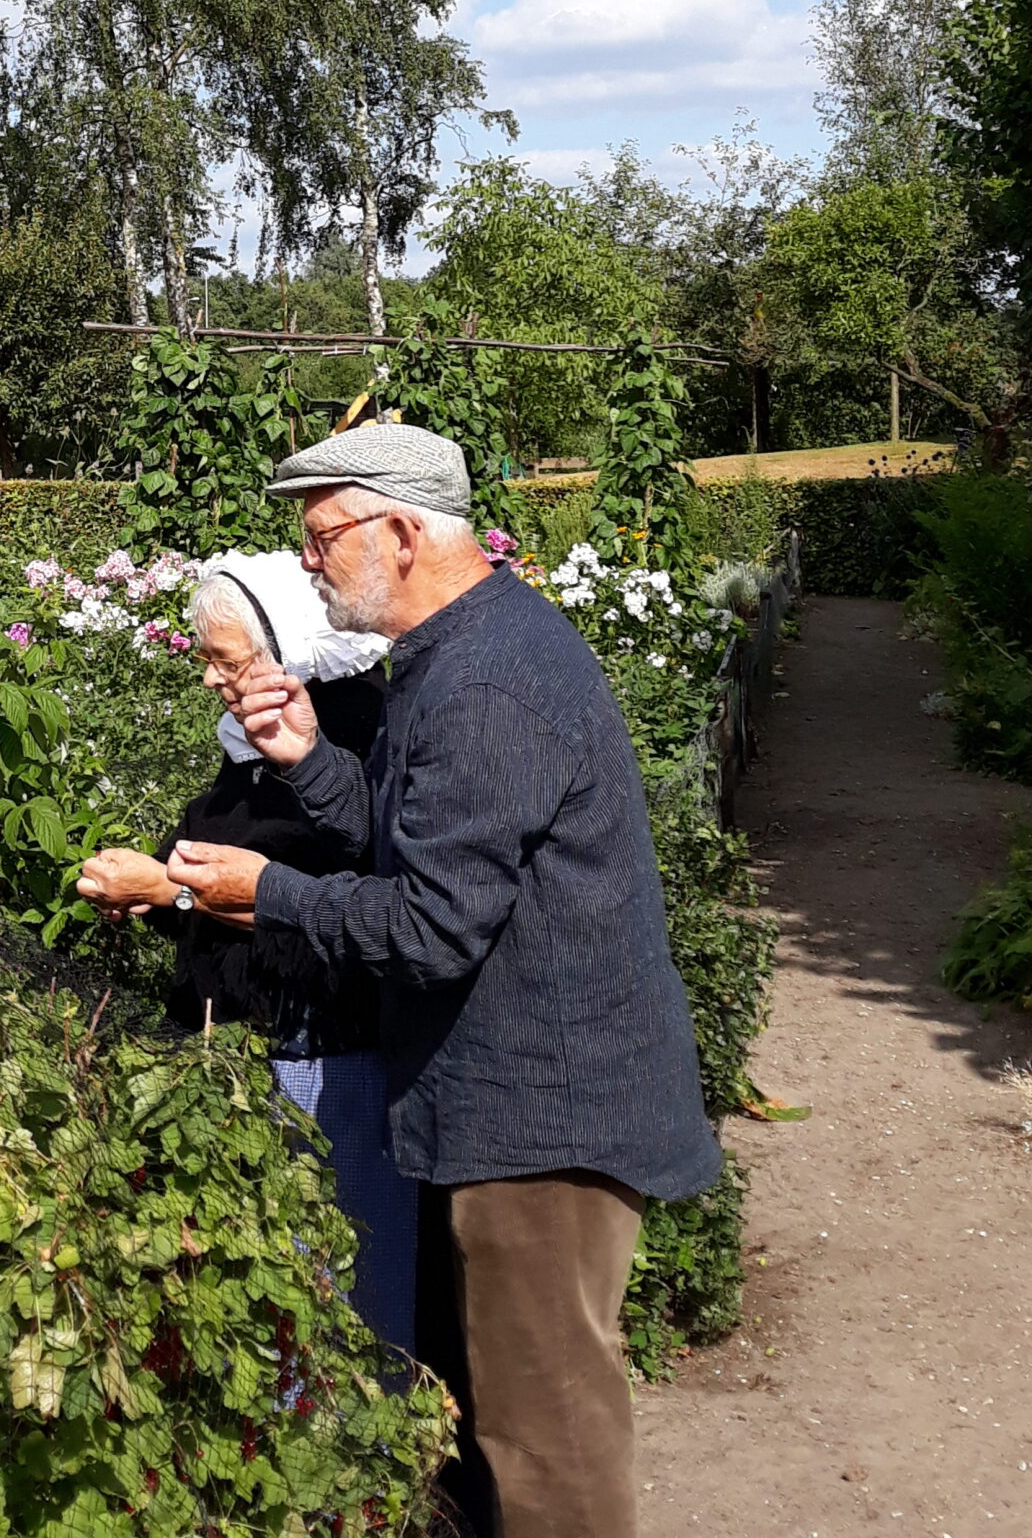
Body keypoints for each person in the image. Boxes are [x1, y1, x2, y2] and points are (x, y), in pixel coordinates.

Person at [166, 425, 721, 1538]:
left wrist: (263, 891)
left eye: (324, 536)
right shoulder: (459, 653)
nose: (310, 562)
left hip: (543, 1124)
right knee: (514, 1424)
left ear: (406, 531)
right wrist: (312, 764)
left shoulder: (483, 683)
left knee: (547, 1445)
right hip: (520, 1106)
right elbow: (427, 845)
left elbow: (429, 925)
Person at [75, 549, 417, 1350]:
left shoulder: (352, 737)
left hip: (326, 1059)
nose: (208, 680)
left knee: (335, 1291)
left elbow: (320, 903)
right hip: (248, 1049)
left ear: (286, 651)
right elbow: (211, 871)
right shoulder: (251, 745)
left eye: (224, 661)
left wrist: (171, 889)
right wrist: (150, 885)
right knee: (268, 1294)